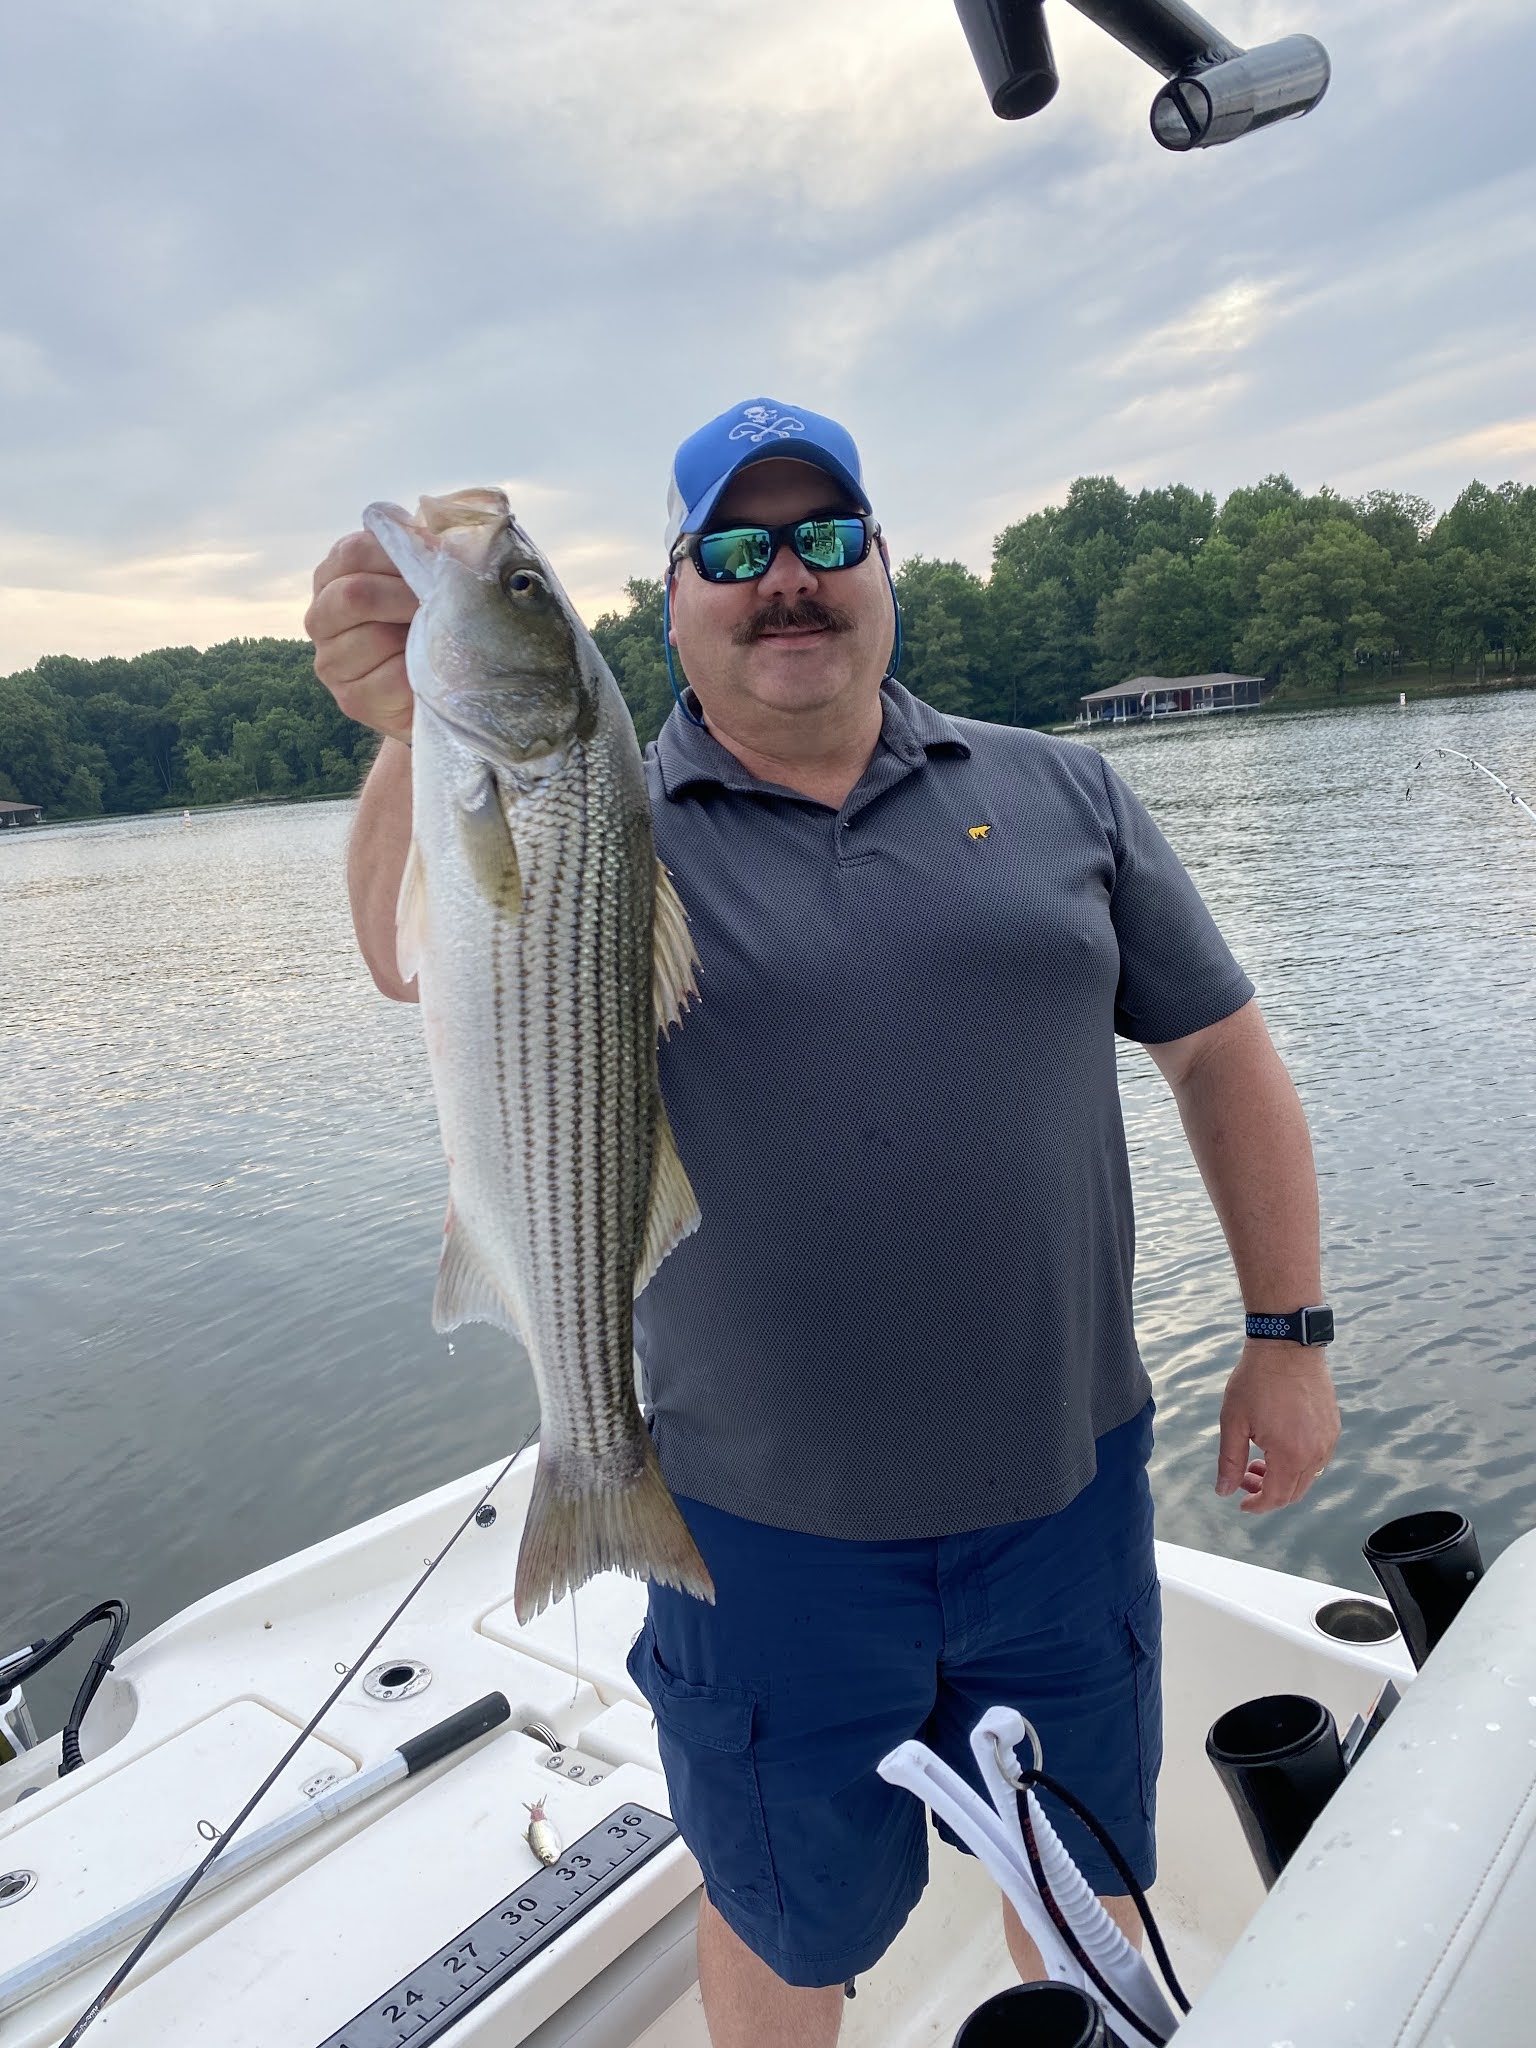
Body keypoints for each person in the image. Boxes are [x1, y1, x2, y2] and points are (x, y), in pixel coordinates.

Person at [307, 398, 1340, 2048]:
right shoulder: (599, 819)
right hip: (752, 1540)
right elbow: (406, 948)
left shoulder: (1067, 791)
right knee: (784, 1918)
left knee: (1079, 1873)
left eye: (822, 538)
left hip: (1064, 1502)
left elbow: (1222, 1052)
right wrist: (396, 732)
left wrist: (1286, 1335)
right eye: (734, 548)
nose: (783, 578)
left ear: (881, 567)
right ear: (672, 599)